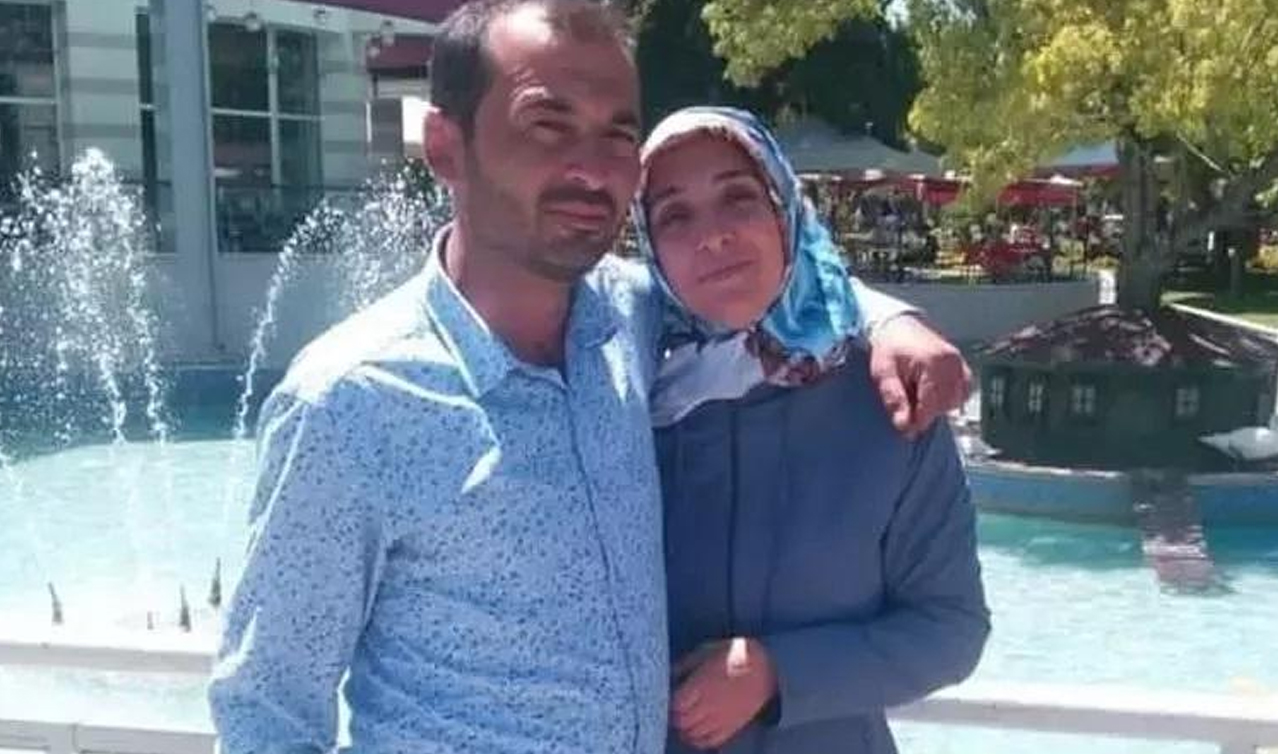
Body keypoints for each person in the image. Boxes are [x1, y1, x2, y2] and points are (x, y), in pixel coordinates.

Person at [208, 3, 971, 753]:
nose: (593, 169)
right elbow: (265, 717)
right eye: (548, 124)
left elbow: (763, 286)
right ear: (445, 145)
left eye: (618, 135)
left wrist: (891, 319)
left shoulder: (630, 320)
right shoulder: (349, 406)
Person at [634, 107, 989, 753]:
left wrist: (780, 674)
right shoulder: (621, 395)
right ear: (649, 246)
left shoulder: (887, 398)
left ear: (784, 209)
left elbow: (951, 628)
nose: (711, 236)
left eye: (738, 198)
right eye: (675, 215)